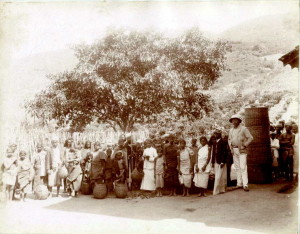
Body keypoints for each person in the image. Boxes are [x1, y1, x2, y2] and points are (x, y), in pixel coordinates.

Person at [228, 114, 253, 192]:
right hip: (234, 150)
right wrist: (231, 148)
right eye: (232, 120)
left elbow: (250, 138)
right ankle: (239, 183)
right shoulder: (231, 130)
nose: (234, 121)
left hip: (241, 150)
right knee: (237, 167)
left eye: (236, 120)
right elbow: (229, 139)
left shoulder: (243, 129)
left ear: (239, 121)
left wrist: (245, 145)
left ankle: (245, 184)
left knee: (243, 167)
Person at [212, 130, 228, 195]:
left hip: (221, 161)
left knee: (221, 176)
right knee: (217, 176)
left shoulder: (223, 142)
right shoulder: (215, 142)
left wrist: (222, 161)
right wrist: (213, 161)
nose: (216, 135)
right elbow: (213, 152)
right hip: (216, 160)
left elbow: (224, 152)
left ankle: (220, 190)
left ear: (220, 134)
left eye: (218, 134)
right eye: (215, 134)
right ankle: (218, 190)